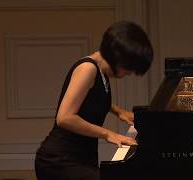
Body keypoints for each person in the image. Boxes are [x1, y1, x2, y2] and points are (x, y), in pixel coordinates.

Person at [34, 20, 154, 180]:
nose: (129, 73)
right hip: (59, 160)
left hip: (80, 156)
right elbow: (64, 118)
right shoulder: (88, 69)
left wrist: (119, 112)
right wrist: (109, 134)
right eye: (129, 67)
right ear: (117, 58)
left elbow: (91, 97)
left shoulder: (100, 70)